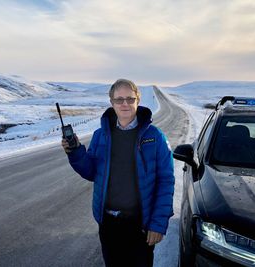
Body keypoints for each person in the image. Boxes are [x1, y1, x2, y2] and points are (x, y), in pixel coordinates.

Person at [62, 79, 175, 267]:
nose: (125, 104)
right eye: (119, 99)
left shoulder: (155, 137)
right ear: (112, 102)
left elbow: (166, 181)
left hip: (141, 224)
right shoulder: (100, 135)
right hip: (108, 224)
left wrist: (158, 223)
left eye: (130, 99)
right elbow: (91, 172)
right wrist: (75, 152)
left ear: (138, 101)